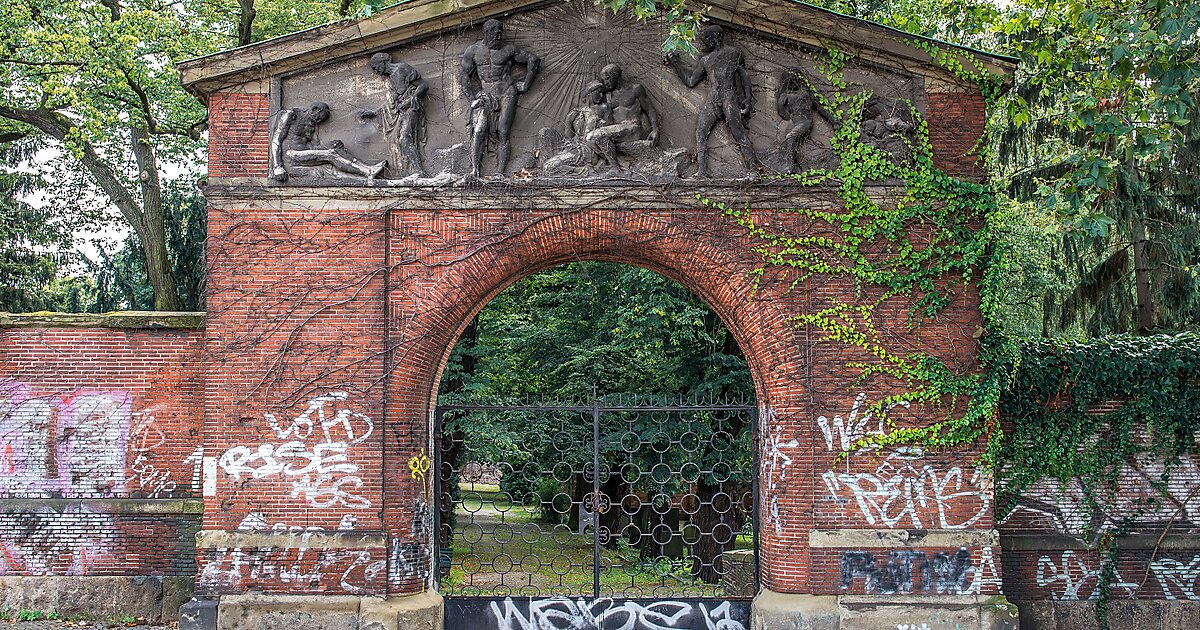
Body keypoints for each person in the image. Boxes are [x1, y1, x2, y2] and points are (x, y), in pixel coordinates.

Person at [667, 25, 756, 175]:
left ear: (718, 36)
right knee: (701, 132)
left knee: (738, 132)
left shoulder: (733, 52)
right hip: (713, 99)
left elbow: (743, 75)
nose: (705, 41)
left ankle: (753, 169)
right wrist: (676, 64)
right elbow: (691, 81)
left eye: (708, 37)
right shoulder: (705, 59)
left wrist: (747, 98)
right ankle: (702, 171)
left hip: (729, 97)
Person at [459, 19, 541, 177]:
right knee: (479, 130)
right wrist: (472, 100)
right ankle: (475, 170)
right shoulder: (473, 50)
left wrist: (526, 84)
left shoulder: (508, 49)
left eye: (500, 33)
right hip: (486, 96)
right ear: (486, 33)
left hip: (507, 92)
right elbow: (464, 77)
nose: (498, 36)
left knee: (503, 131)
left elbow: (533, 59)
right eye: (495, 33)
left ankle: (499, 172)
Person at [269, 101, 385, 184]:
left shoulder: (312, 124)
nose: (318, 121)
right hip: (291, 154)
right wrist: (278, 166)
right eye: (319, 117)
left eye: (321, 120)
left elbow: (314, 145)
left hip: (304, 152)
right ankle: (367, 172)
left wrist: (332, 145)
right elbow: (276, 140)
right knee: (330, 154)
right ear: (314, 110)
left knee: (335, 146)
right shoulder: (290, 115)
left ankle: (366, 167)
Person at [366, 52, 428, 177]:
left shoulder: (402, 68)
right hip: (402, 110)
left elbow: (423, 86)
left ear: (382, 62)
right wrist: (374, 113)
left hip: (411, 108)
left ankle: (420, 172)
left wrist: (410, 100)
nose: (376, 72)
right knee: (402, 141)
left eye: (375, 67)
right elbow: (393, 102)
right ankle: (415, 171)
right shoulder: (391, 78)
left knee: (404, 139)